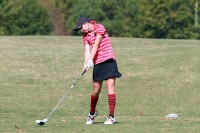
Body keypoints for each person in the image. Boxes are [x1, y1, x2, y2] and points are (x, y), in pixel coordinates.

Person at [74, 16, 122, 125]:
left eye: (81, 27)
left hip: (109, 61)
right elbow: (87, 50)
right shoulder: (85, 36)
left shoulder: (99, 27)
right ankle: (92, 113)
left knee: (110, 87)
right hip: (98, 63)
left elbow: (96, 44)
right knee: (95, 90)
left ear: (87, 23)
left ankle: (111, 116)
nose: (81, 30)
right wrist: (85, 64)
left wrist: (91, 59)